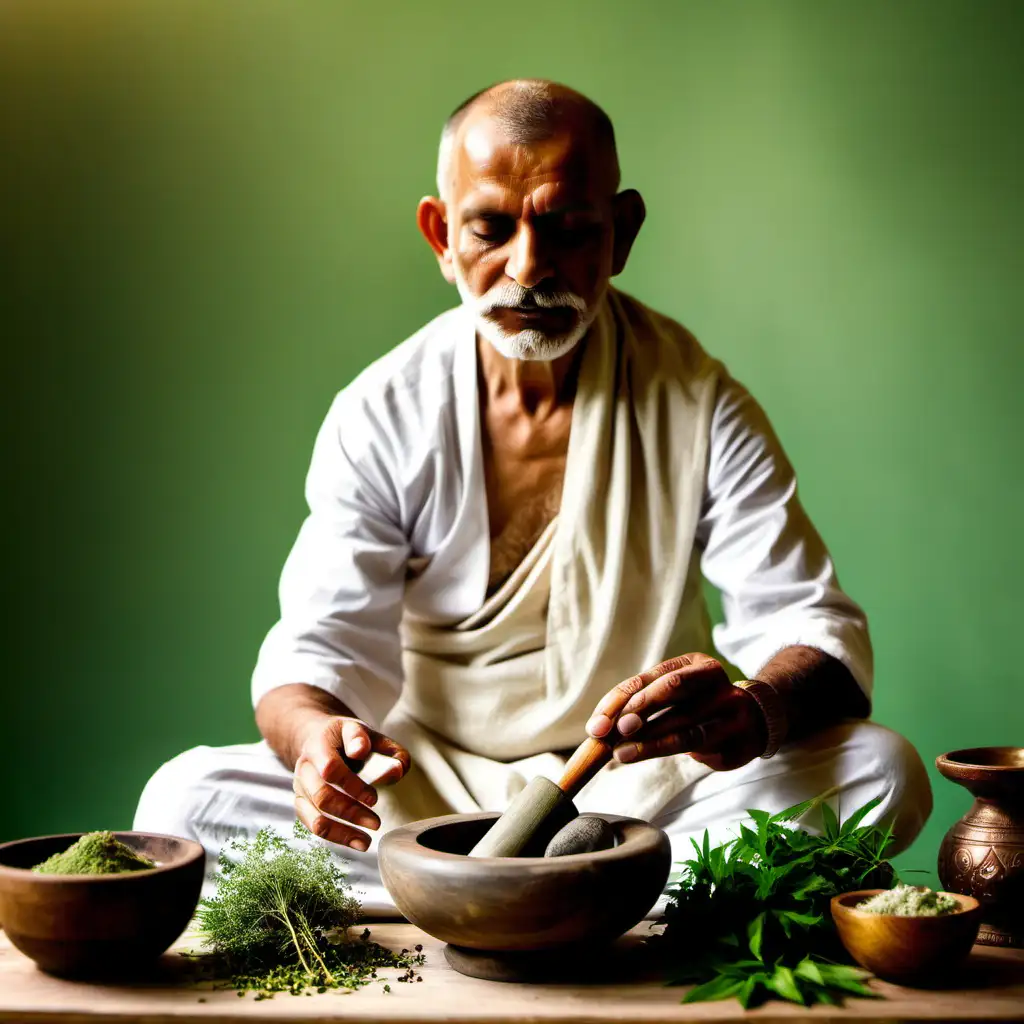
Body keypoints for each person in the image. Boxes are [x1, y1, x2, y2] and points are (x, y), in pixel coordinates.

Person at [134, 79, 932, 912]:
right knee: (183, 801)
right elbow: (314, 656)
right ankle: (589, 898)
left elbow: (812, 624)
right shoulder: (382, 414)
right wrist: (317, 749)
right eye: (491, 227)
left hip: (641, 792)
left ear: (619, 234)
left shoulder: (697, 402)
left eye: (566, 228)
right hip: (426, 789)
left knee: (882, 770)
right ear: (441, 235)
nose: (528, 268)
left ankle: (463, 899)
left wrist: (747, 711)